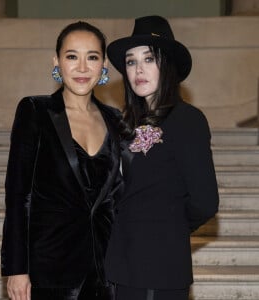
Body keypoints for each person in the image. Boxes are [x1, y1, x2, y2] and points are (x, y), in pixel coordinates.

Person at [1, 21, 122, 300]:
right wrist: (17, 269)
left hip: (107, 272)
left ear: (103, 64)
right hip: (50, 272)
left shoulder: (116, 120)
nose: (82, 67)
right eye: (72, 56)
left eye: (92, 57)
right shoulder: (35, 111)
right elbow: (18, 195)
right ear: (57, 61)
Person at [104, 15, 219, 300]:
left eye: (148, 59)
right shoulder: (126, 123)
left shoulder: (187, 120)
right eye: (131, 62)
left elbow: (205, 201)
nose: (138, 70)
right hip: (121, 266)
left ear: (166, 64)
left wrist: (165, 227)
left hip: (160, 268)